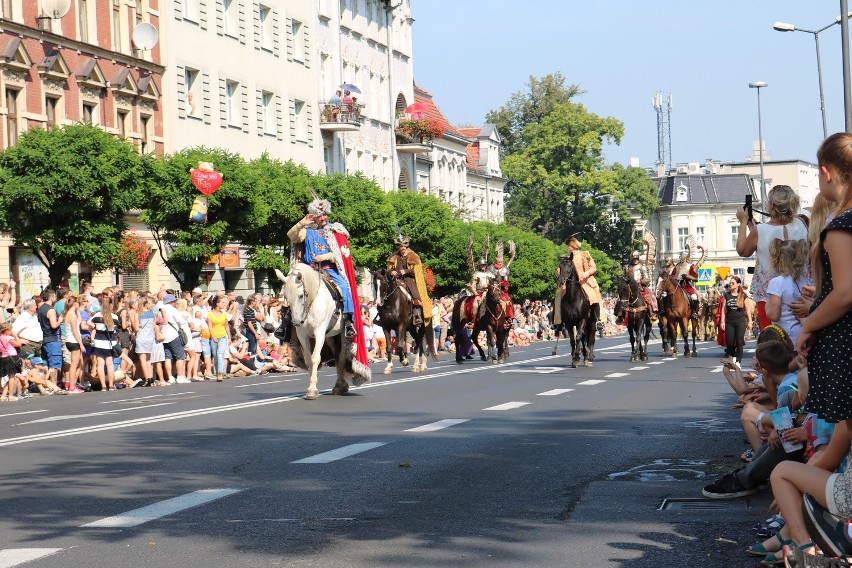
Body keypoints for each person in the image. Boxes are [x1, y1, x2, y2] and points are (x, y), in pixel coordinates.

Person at [737, 184, 808, 331]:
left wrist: (743, 222)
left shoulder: (761, 230)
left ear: (772, 205)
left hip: (770, 294)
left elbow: (743, 250)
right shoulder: (802, 223)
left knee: (772, 340)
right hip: (800, 290)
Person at [287, 197, 359, 340]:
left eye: (325, 214)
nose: (324, 218)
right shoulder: (305, 231)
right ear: (314, 217)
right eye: (320, 215)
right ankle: (285, 324)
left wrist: (324, 257)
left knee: (344, 287)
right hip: (309, 270)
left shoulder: (334, 231)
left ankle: (349, 322)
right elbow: (291, 235)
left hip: (329, 269)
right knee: (292, 290)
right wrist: (302, 223)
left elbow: (338, 255)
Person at [765, 239, 811, 349]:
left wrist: (767, 306)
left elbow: (774, 315)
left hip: (785, 339)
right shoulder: (806, 281)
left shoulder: (777, 282)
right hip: (804, 336)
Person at [554, 235, 604, 331]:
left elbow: (593, 267)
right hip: (568, 282)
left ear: (574, 246)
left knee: (594, 297)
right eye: (568, 246)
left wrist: (586, 273)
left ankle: (598, 320)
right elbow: (560, 269)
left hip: (584, 281)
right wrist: (559, 274)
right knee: (557, 296)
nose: (568, 247)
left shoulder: (584, 255)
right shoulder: (566, 257)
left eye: (569, 245)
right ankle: (558, 322)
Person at [386, 233, 432, 327]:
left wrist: (406, 271)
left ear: (406, 246)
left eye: (403, 246)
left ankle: (417, 315)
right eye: (400, 246)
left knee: (416, 297)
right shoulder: (394, 257)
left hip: (409, 280)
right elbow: (388, 269)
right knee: (386, 295)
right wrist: (391, 272)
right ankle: (383, 316)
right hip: (396, 280)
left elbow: (417, 272)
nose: (402, 248)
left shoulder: (413, 256)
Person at [720, 276, 752, 366]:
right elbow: (723, 309)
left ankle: (738, 361)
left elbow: (748, 309)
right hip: (729, 322)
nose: (730, 284)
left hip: (740, 322)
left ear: (738, 284)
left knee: (739, 341)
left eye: (732, 283)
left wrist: (750, 321)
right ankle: (732, 359)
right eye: (730, 283)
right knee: (729, 343)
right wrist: (722, 321)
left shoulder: (743, 295)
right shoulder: (726, 295)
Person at [488, 240, 515, 326]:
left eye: (501, 262)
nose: (499, 263)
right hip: (491, 288)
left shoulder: (505, 269)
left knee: (508, 301)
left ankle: (508, 317)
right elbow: (488, 278)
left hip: (501, 291)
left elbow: (506, 282)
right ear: (495, 262)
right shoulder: (491, 268)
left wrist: (504, 285)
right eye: (498, 262)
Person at [670, 247, 701, 319]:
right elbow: (672, 275)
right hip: (677, 285)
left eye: (682, 256)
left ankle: (694, 312)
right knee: (666, 295)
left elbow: (696, 278)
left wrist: (688, 277)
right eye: (680, 256)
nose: (680, 258)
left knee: (694, 297)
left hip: (686, 285)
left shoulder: (690, 266)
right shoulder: (677, 265)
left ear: (686, 257)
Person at [627, 250, 658, 320]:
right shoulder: (627, 267)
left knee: (651, 297)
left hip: (641, 286)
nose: (635, 260)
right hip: (629, 286)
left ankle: (652, 314)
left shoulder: (642, 267)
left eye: (636, 259)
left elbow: (647, 279)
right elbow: (625, 277)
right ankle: (620, 315)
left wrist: (639, 281)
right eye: (634, 259)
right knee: (620, 299)